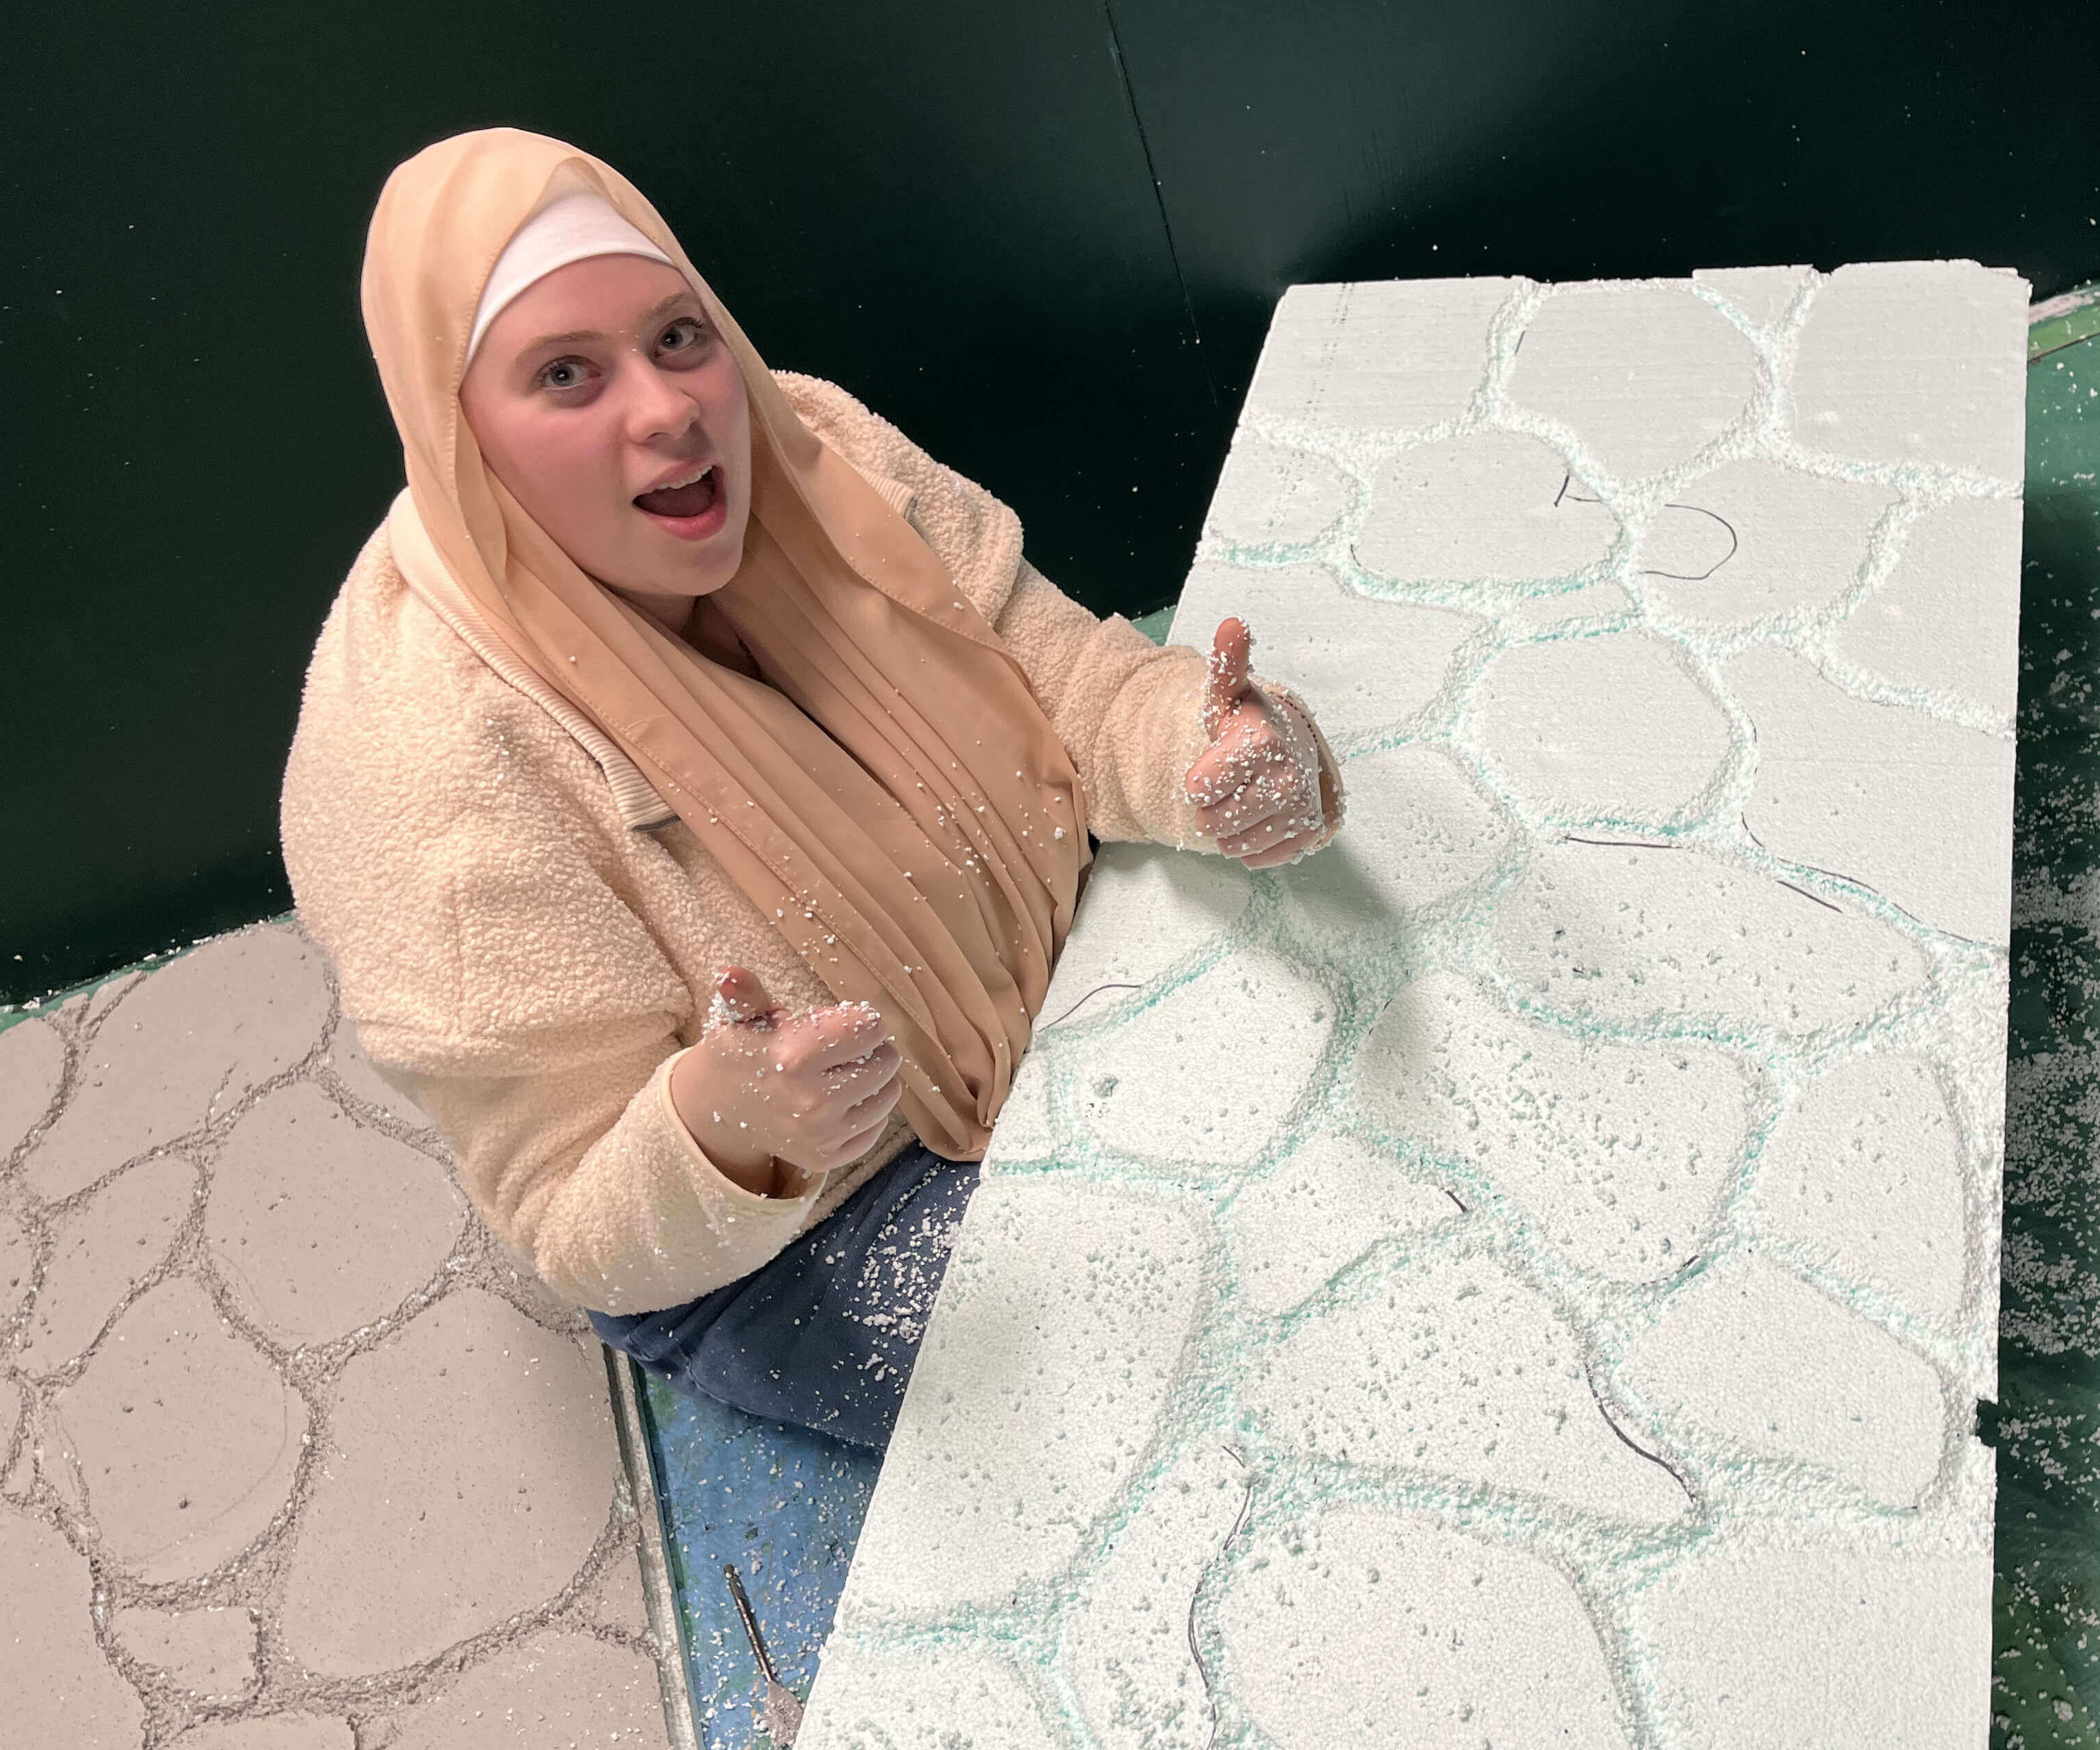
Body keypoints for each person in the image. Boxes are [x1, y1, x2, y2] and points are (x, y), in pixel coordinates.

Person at [282, 128, 1342, 1447]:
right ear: (459, 435)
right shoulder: (423, 775)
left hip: (1034, 973)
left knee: (1343, 1113)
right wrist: (725, 1127)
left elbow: (1057, 670)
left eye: (679, 336)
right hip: (786, 1230)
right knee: (1158, 1374)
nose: (669, 409)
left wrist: (1204, 757)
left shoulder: (814, 449)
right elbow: (575, 1220)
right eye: (567, 374)